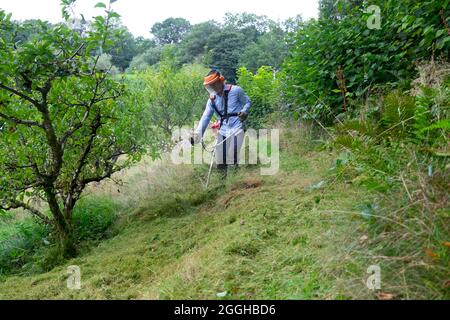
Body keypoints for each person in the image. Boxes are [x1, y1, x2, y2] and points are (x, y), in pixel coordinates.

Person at [191, 68, 251, 177]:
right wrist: (197, 134)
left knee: (232, 156)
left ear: (221, 81)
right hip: (223, 130)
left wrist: (244, 112)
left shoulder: (236, 91)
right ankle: (221, 185)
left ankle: (236, 182)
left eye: (214, 84)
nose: (213, 87)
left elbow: (247, 102)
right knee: (220, 161)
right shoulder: (212, 100)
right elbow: (206, 117)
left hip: (237, 127)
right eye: (210, 86)